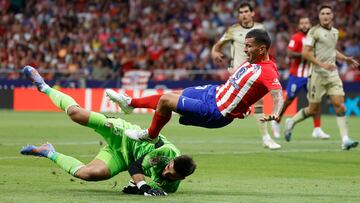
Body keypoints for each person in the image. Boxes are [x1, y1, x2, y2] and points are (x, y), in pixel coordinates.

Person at [20, 66, 196, 196]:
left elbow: (143, 179)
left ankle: (48, 152)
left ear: (180, 178)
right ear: (171, 160)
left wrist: (135, 187)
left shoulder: (171, 186)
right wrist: (142, 186)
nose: (165, 171)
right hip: (125, 135)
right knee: (76, 113)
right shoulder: (167, 153)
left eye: (170, 174)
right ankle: (44, 87)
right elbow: (137, 167)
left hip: (121, 157)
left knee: (88, 174)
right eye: (168, 167)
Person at [107, 29, 284, 146]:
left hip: (216, 110)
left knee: (165, 100)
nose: (245, 49)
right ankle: (130, 103)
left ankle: (150, 135)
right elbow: (243, 86)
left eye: (248, 46)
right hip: (213, 93)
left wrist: (276, 112)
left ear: (262, 49)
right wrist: (243, 104)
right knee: (174, 94)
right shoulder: (251, 61)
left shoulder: (268, 71)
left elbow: (277, 96)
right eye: (245, 45)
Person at [284, 5, 359, 150]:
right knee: (312, 109)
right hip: (317, 75)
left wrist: (345, 59)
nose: (325, 16)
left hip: (332, 74)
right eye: (323, 13)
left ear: (332, 16)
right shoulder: (314, 32)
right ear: (319, 16)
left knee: (339, 105)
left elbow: (332, 50)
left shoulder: (335, 32)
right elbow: (306, 53)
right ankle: (291, 122)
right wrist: (322, 65)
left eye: (328, 13)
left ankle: (345, 140)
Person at [211, 2, 280, 149]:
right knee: (241, 103)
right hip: (239, 73)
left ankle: (266, 136)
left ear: (252, 13)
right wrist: (215, 52)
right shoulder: (233, 30)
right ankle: (265, 133)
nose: (244, 14)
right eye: (241, 12)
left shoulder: (260, 28)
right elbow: (217, 45)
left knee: (259, 102)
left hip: (256, 72)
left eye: (246, 11)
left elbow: (266, 49)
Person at [270, 16, 330, 139]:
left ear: (310, 24)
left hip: (312, 75)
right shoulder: (296, 37)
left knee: (315, 101)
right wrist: (304, 55)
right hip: (297, 75)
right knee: (288, 100)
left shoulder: (315, 38)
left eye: (306, 22)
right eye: (302, 23)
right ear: (299, 25)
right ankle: (276, 122)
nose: (304, 25)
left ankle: (317, 129)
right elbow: (289, 54)